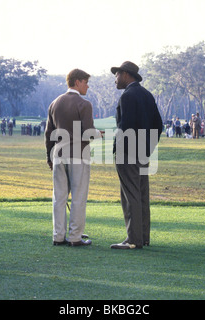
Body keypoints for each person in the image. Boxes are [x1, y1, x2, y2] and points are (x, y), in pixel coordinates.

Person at [45, 68, 101, 247]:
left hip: (58, 154)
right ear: (77, 82)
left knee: (59, 197)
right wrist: (100, 134)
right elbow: (88, 133)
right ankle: (76, 237)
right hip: (78, 155)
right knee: (78, 196)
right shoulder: (84, 104)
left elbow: (48, 134)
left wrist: (49, 157)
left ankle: (58, 236)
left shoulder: (54, 103)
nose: (87, 86)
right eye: (85, 82)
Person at [110, 61, 163, 250]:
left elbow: (126, 126)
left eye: (117, 75)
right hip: (142, 152)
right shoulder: (147, 94)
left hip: (127, 152)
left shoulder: (127, 96)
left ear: (126, 75)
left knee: (130, 194)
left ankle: (133, 239)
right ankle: (143, 237)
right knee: (141, 193)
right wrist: (148, 146)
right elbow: (158, 124)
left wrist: (120, 148)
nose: (115, 79)